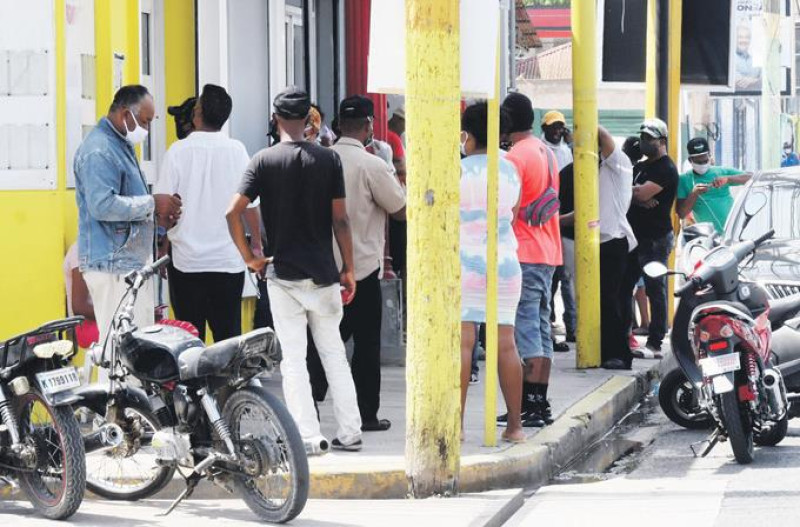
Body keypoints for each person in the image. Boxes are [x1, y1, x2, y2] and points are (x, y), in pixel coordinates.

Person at [226, 87, 362, 453]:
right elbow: (341, 221)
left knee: (294, 360)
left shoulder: (262, 161)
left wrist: (250, 258)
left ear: (276, 119)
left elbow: (232, 211)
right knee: (334, 353)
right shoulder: (329, 160)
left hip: (282, 275)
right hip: (323, 274)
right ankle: (350, 431)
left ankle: (308, 434)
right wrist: (348, 268)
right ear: (307, 120)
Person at [306, 95, 406, 432]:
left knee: (322, 337)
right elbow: (400, 208)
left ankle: (311, 399)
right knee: (365, 346)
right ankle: (366, 415)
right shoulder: (372, 164)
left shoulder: (317, 160)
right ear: (368, 127)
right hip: (362, 269)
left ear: (337, 124)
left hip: (321, 268)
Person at [74, 85, 182, 348]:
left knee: (134, 349)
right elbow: (102, 205)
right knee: (119, 352)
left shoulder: (118, 144)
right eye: (144, 121)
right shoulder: (99, 150)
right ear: (125, 114)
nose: (146, 128)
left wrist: (159, 220)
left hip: (128, 264)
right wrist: (152, 203)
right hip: (113, 267)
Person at [154, 84, 260, 342]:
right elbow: (250, 206)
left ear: (197, 113)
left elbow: (164, 207)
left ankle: (193, 385)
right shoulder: (238, 151)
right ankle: (225, 383)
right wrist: (256, 245)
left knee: (188, 340)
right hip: (228, 261)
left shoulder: (178, 151)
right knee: (228, 337)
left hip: (186, 262)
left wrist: (162, 246)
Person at [459, 102, 525, 443]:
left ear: (467, 135)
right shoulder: (511, 170)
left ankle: (455, 428)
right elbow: (512, 214)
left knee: (463, 344)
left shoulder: (457, 170)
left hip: (465, 263)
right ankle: (515, 427)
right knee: (506, 345)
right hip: (505, 263)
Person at [499, 92, 562, 427]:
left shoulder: (514, 159)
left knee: (524, 329)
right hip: (549, 251)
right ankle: (539, 401)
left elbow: (508, 210)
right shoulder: (546, 152)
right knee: (541, 326)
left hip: (524, 251)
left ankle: (528, 406)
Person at [619, 118, 678, 356]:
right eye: (642, 138)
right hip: (634, 237)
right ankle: (625, 335)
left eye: (649, 139)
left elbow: (640, 193)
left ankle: (655, 341)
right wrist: (635, 194)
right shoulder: (642, 167)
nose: (643, 143)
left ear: (661, 141)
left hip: (655, 239)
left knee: (655, 289)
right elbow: (633, 191)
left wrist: (635, 193)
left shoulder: (666, 169)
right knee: (624, 287)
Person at [596, 128, 637, 369]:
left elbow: (604, 135)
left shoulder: (618, 163)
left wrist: (586, 125)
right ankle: (609, 352)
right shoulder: (604, 167)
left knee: (611, 301)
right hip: (604, 241)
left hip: (613, 240)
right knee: (607, 301)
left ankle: (620, 354)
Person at [676, 137, 751, 234]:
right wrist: (694, 194)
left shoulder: (721, 171)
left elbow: (752, 178)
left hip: (734, 231)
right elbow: (681, 213)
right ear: (690, 160)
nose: (703, 164)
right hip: (709, 236)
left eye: (705, 160)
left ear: (710, 156)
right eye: (698, 162)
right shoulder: (683, 179)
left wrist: (728, 179)